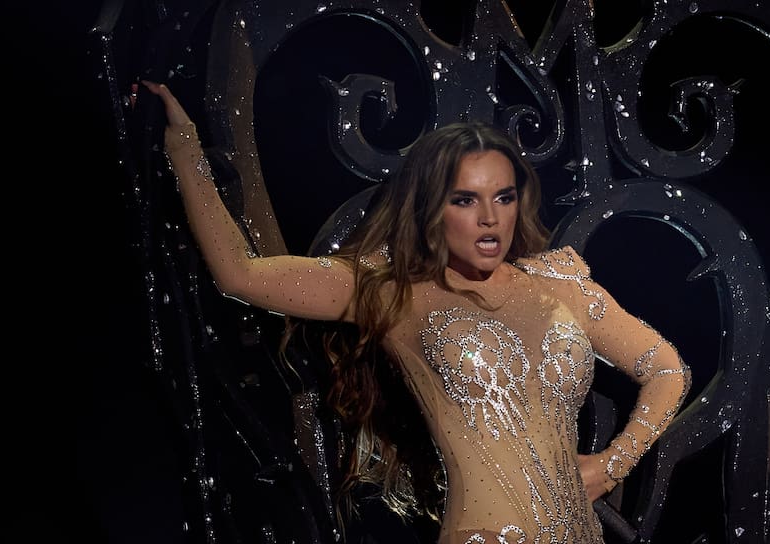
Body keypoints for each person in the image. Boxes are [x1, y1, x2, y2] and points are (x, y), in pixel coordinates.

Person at [142, 80, 691, 544]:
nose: (489, 218)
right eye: (465, 199)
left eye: (502, 197)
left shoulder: (560, 286)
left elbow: (668, 370)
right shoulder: (392, 291)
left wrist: (612, 464)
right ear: (431, 207)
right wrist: (185, 149)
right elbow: (239, 274)